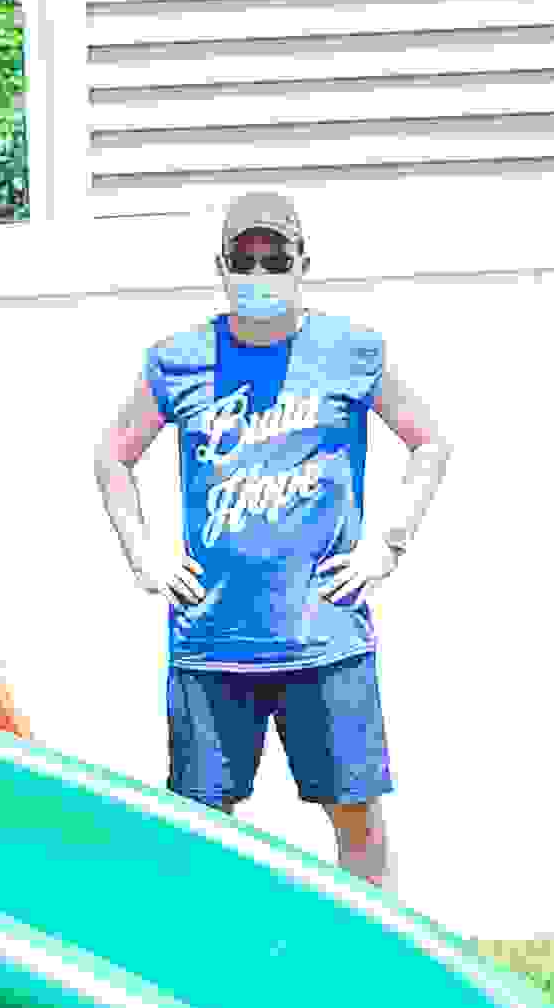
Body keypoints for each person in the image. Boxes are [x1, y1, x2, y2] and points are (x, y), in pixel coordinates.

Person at [96, 184, 450, 895]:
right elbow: (112, 456)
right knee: (200, 828)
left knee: (356, 819)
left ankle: (370, 972)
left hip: (326, 639)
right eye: (244, 258)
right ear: (221, 267)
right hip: (212, 641)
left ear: (302, 263)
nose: (259, 274)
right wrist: (145, 559)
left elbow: (430, 444)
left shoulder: (352, 352)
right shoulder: (180, 360)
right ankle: (209, 980)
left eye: (274, 257)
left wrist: (388, 545)